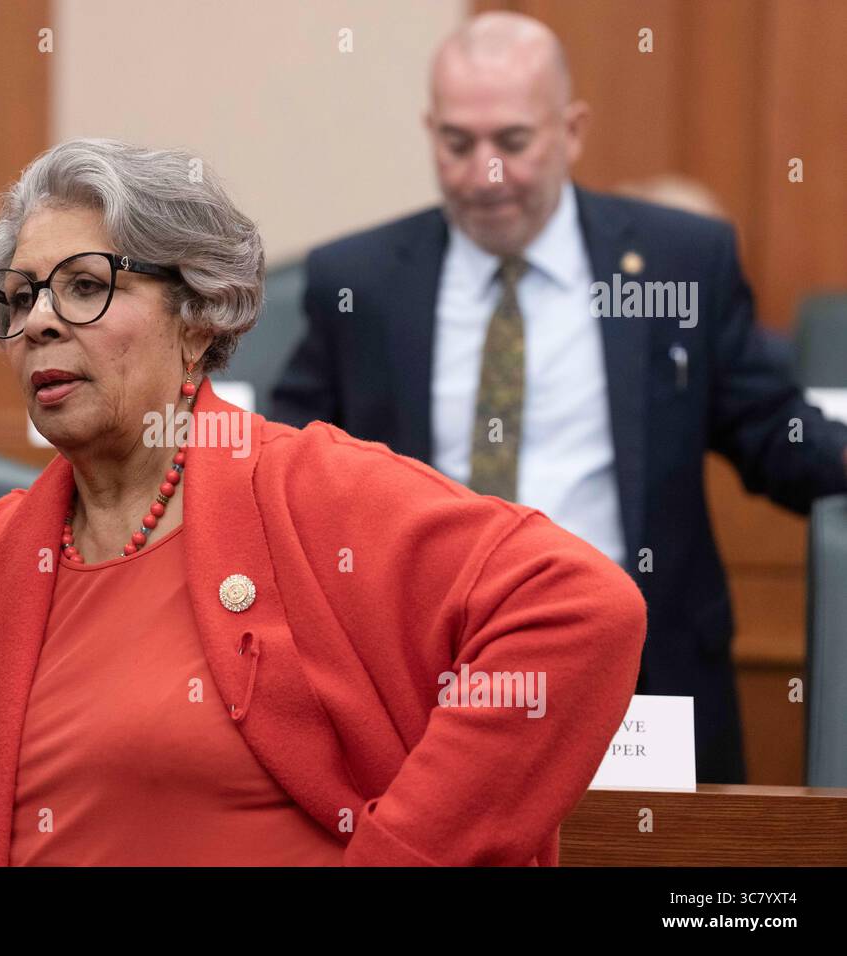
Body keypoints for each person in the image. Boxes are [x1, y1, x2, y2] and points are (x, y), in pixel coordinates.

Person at [0, 138, 645, 867]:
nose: (37, 323)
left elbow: (583, 612)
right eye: (20, 297)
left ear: (199, 316)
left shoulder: (310, 491)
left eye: (84, 284)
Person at [270, 12, 847, 784]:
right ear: (429, 131)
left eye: (513, 142)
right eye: (458, 144)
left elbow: (771, 432)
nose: (485, 174)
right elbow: (286, 462)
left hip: (641, 679)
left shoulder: (679, 259)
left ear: (571, 131)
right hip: (418, 680)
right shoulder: (362, 281)